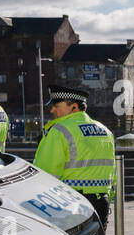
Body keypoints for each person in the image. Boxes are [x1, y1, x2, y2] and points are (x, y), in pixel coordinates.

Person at [33, 84, 115, 227]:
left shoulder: (59, 131)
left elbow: (44, 175)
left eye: (56, 106)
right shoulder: (105, 131)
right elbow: (112, 173)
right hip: (101, 203)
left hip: (69, 206)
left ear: (74, 107)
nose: (52, 110)